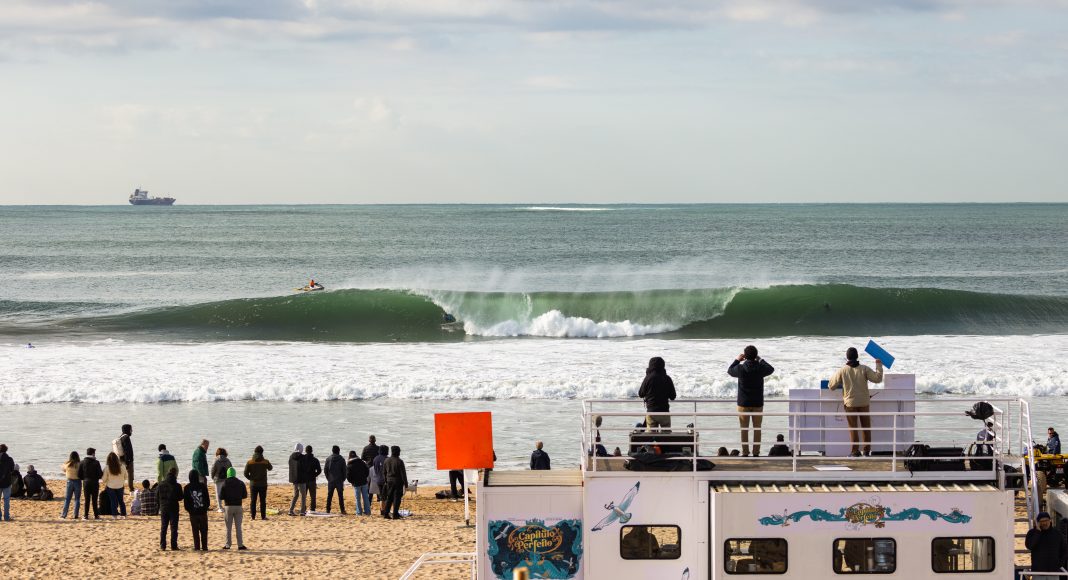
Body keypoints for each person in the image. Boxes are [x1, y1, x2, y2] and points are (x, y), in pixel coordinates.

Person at [828, 347, 884, 457]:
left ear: (847, 357)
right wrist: (878, 365)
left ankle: (855, 451)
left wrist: (842, 382)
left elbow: (831, 386)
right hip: (863, 402)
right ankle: (867, 451)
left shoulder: (842, 370)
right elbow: (878, 379)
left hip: (850, 404)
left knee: (853, 428)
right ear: (857, 356)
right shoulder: (864, 369)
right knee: (866, 427)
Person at [727, 345, 775, 457]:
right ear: (755, 356)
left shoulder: (740, 368)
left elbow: (729, 370)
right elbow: (771, 369)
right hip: (757, 403)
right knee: (757, 429)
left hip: (743, 403)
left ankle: (745, 452)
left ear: (745, 356)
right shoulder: (760, 367)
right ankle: (756, 452)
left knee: (744, 429)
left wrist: (737, 360)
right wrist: (760, 359)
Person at [638, 356, 676, 431]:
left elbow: (640, 394)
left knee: (651, 436)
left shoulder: (648, 378)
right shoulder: (667, 378)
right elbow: (673, 396)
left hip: (651, 412)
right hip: (664, 412)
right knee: (666, 435)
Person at [1025, 511, 1067, 579]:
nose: (1044, 523)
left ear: (1050, 520)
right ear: (1038, 523)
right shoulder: (1032, 533)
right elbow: (1029, 546)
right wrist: (1038, 532)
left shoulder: (1057, 534)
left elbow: (1064, 550)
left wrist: (1059, 564)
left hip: (1054, 573)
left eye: (1046, 520)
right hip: (1038, 573)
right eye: (1041, 521)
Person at [220, 467, 248, 550]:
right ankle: (240, 545)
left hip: (228, 507)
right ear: (235, 474)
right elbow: (245, 496)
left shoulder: (224, 483)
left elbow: (221, 497)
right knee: (238, 527)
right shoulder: (240, 483)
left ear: (227, 474)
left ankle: (228, 545)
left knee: (228, 527)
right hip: (238, 506)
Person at [183, 469, 210, 551]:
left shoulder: (187, 488)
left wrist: (190, 511)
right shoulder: (203, 486)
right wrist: (205, 508)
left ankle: (197, 547)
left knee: (195, 531)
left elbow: (186, 503)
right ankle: (204, 547)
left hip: (193, 514)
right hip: (202, 512)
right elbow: (207, 500)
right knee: (204, 530)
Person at [156, 467, 182, 550]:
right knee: (174, 527)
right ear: (175, 474)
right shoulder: (177, 485)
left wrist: (159, 505)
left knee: (164, 527)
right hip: (174, 507)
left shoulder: (161, 484)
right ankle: (173, 545)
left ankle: (162, 545)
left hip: (164, 507)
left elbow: (157, 496)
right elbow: (181, 497)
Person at [244, 446, 272, 520]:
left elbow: (245, 473)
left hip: (253, 484)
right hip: (263, 484)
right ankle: (263, 517)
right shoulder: (265, 461)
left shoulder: (250, 462)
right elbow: (270, 468)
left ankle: (253, 517)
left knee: (253, 500)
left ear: (254, 452)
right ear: (262, 452)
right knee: (263, 501)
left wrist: (250, 479)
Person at [381, 446, 408, 520]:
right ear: (398, 452)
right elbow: (403, 474)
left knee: (389, 498)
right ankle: (395, 514)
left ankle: (386, 514)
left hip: (389, 482)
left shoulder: (386, 460)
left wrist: (386, 481)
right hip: (398, 482)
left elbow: (384, 472)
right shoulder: (399, 461)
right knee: (397, 499)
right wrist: (406, 485)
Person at [78, 448, 103, 520]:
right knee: (94, 500)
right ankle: (96, 515)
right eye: (94, 453)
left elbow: (79, 474)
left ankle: (85, 515)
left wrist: (84, 478)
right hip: (95, 483)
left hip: (86, 482)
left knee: (87, 499)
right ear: (92, 453)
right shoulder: (96, 462)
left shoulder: (82, 462)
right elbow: (100, 474)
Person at [102, 452, 128, 518]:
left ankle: (114, 515)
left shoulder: (107, 467)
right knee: (121, 501)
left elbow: (104, 479)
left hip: (110, 486)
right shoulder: (122, 466)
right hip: (120, 486)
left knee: (113, 501)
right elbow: (126, 477)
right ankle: (124, 514)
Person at [346, 450, 370, 516]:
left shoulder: (349, 465)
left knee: (358, 499)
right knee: (365, 498)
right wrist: (365, 477)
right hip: (364, 482)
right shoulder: (362, 462)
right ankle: (367, 512)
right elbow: (367, 471)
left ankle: (359, 512)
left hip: (356, 484)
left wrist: (352, 482)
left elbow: (348, 476)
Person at [324, 445, 347, 514]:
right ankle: (342, 510)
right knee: (340, 496)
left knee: (329, 495)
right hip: (339, 480)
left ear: (332, 451)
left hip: (331, 480)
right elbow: (344, 470)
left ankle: (328, 510)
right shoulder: (342, 459)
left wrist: (328, 478)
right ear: (339, 451)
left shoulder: (328, 459)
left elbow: (325, 470)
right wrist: (343, 479)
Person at [60, 451, 82, 519]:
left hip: (69, 481)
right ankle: (75, 514)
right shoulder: (79, 464)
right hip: (77, 481)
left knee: (67, 499)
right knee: (77, 499)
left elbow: (63, 469)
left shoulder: (67, 463)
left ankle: (64, 515)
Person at [288, 443, 308, 516]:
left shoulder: (291, 457)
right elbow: (305, 467)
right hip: (301, 479)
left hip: (294, 479)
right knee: (303, 495)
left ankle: (291, 510)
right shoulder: (303, 457)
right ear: (301, 449)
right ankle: (302, 511)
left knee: (295, 494)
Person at [210, 447, 232, 513]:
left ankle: (220, 507)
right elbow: (230, 469)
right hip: (226, 479)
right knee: (226, 493)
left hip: (218, 479)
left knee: (218, 493)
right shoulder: (228, 460)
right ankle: (227, 506)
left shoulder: (216, 460)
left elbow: (213, 470)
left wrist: (212, 477)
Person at [302, 444, 322, 512]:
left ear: (305, 451)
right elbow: (319, 470)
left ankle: (303, 508)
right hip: (312, 480)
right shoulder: (315, 460)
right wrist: (314, 475)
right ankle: (312, 509)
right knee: (313, 496)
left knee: (303, 495)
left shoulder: (302, 459)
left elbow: (299, 469)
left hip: (304, 480)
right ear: (312, 451)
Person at [115, 424, 135, 492]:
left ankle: (121, 488)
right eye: (130, 429)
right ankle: (131, 488)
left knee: (121, 475)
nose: (131, 431)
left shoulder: (120, 437)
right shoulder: (126, 437)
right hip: (127, 460)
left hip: (120, 459)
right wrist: (128, 461)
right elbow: (127, 450)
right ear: (128, 430)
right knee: (130, 475)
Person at [0, 444, 13, 521]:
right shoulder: (9, 459)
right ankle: (6, 517)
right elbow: (12, 470)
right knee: (6, 500)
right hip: (7, 482)